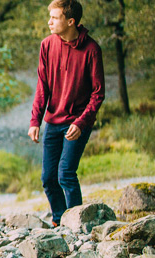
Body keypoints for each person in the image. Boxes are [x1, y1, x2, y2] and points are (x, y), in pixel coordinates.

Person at [29, 0, 104, 226]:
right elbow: (43, 86)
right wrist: (35, 120)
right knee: (48, 178)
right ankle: (60, 219)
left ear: (70, 21)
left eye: (54, 17)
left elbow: (98, 94)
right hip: (53, 120)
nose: (49, 21)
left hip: (78, 123)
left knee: (66, 174)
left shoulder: (92, 49)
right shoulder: (47, 45)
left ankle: (77, 223)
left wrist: (81, 123)